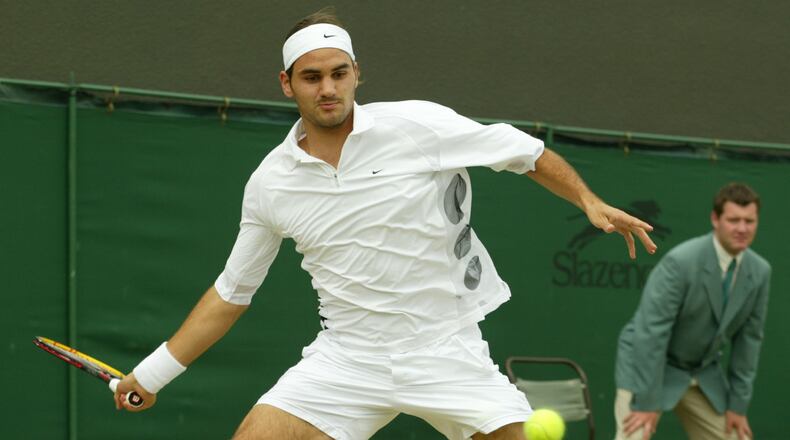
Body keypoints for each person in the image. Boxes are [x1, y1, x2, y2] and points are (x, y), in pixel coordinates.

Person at [115, 9, 656, 440]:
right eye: (312, 77)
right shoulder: (270, 183)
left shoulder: (418, 124)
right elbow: (232, 293)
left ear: (356, 74)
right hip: (346, 358)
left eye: (338, 73)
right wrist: (154, 373)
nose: (327, 88)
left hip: (445, 348)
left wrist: (587, 199)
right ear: (287, 84)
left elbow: (524, 152)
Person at [613, 183, 770, 440]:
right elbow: (651, 333)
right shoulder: (681, 262)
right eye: (733, 220)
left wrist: (737, 407)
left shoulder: (760, 272)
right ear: (715, 219)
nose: (742, 228)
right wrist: (648, 403)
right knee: (634, 434)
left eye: (749, 221)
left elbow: (749, 342)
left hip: (700, 374)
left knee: (736, 436)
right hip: (647, 366)